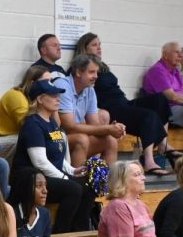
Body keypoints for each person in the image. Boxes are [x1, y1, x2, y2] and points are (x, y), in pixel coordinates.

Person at [72, 33, 169, 173]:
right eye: (94, 45)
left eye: (100, 45)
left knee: (160, 99)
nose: (99, 48)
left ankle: (163, 144)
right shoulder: (81, 73)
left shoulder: (103, 67)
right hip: (112, 108)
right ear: (84, 48)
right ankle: (148, 160)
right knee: (149, 115)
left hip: (123, 102)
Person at [10, 80, 95, 233]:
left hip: (49, 176)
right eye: (53, 95)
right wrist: (64, 178)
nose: (58, 99)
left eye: (58, 95)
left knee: (89, 185)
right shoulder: (33, 124)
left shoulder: (52, 123)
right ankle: (61, 234)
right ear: (40, 99)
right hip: (29, 180)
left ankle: (80, 232)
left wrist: (72, 171)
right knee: (73, 189)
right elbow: (40, 162)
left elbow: (58, 155)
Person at [52, 54, 122, 166]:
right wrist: (107, 128)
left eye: (96, 72)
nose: (96, 76)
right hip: (55, 139)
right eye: (91, 72)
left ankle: (106, 182)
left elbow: (94, 125)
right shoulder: (62, 85)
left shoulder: (90, 90)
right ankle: (78, 182)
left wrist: (112, 129)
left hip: (73, 137)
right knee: (81, 139)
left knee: (110, 140)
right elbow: (69, 127)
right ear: (79, 72)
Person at [0, 65, 51, 148]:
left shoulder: (37, 97)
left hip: (16, 136)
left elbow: (54, 127)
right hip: (1, 139)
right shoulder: (16, 95)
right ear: (33, 83)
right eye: (46, 81)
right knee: (35, 139)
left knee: (60, 136)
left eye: (51, 81)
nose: (50, 85)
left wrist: (53, 103)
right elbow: (29, 128)